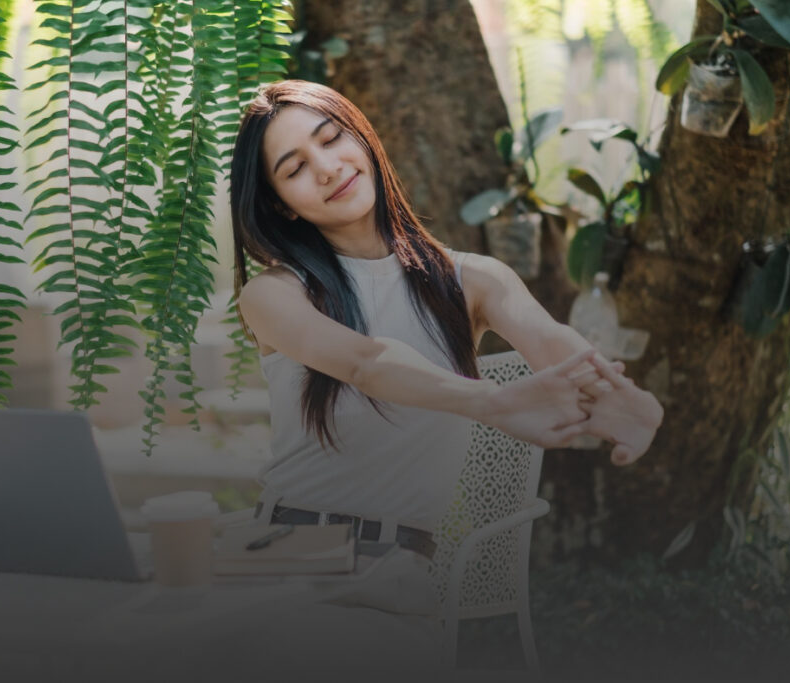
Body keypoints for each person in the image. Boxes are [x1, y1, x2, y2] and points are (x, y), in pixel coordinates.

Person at [228, 79, 664, 567]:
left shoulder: (473, 280)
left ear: (362, 137)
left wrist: (613, 397)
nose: (328, 169)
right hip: (289, 549)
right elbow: (366, 363)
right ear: (281, 205)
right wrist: (492, 403)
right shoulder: (274, 295)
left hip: (398, 565)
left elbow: (548, 339)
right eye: (296, 169)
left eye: (332, 139)